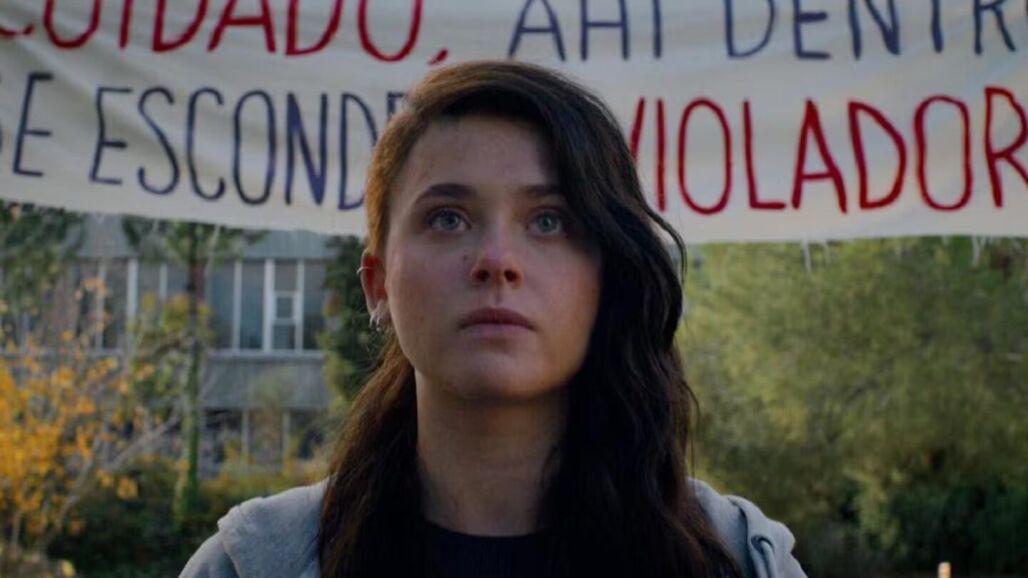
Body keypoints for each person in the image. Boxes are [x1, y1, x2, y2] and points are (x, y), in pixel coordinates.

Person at [179, 60, 806, 578]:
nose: (497, 260)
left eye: (549, 221)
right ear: (377, 284)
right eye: (448, 218)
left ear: (610, 273)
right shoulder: (252, 564)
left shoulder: (738, 560)